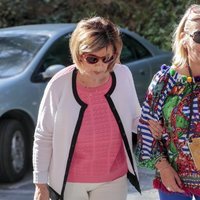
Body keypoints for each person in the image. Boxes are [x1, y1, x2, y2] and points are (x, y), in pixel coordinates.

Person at [32, 16, 141, 200]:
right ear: (77, 53)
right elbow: (44, 135)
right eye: (92, 59)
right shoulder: (59, 84)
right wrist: (40, 184)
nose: (101, 66)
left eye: (108, 58)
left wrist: (153, 125)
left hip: (113, 177)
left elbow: (135, 118)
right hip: (70, 181)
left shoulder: (123, 75)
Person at [136, 4, 200, 200]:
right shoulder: (164, 82)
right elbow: (146, 130)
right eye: (199, 36)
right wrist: (163, 168)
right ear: (183, 38)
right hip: (174, 180)